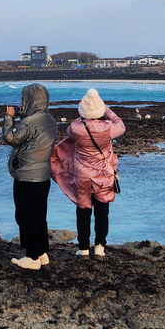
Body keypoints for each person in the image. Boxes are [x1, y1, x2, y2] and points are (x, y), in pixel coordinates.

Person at [51, 88, 125, 260]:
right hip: (104, 175)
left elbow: (72, 129)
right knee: (102, 212)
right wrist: (106, 110)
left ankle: (83, 249)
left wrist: (85, 113)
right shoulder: (108, 128)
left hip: (83, 174)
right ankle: (100, 247)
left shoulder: (76, 127)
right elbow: (121, 125)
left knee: (83, 210)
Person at [2, 84, 58, 270]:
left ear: (30, 100)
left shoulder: (30, 122)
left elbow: (10, 137)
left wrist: (9, 117)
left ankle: (32, 257)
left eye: (24, 100)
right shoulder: (49, 119)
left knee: (25, 216)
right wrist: (23, 116)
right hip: (43, 175)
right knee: (39, 216)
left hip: (26, 176)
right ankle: (42, 253)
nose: (21, 103)